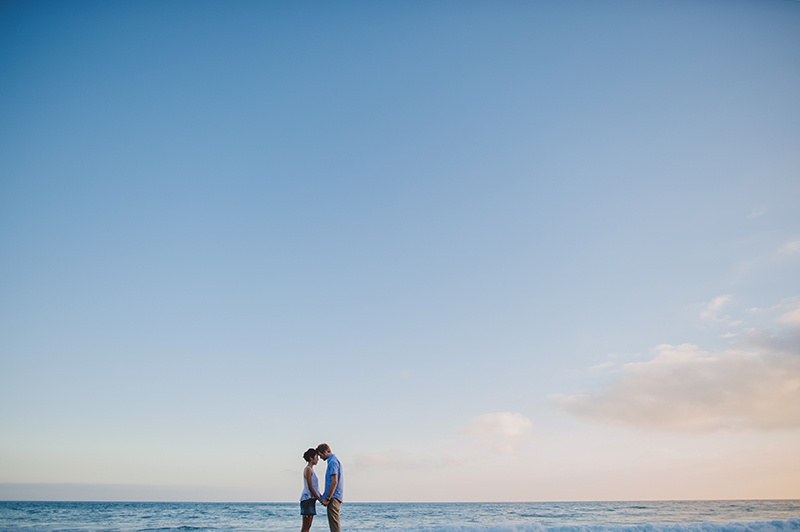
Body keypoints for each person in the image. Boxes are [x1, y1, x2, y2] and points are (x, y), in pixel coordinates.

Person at [316, 443, 343, 532]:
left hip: (333, 497)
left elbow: (334, 482)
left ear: (325, 452)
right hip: (333, 496)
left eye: (320, 455)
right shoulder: (333, 461)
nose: (320, 458)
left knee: (334, 524)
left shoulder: (333, 462)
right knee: (333, 523)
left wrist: (328, 498)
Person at [300, 448, 322, 532]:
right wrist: (320, 499)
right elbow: (310, 487)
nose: (318, 459)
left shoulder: (311, 469)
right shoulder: (308, 470)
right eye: (316, 457)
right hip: (307, 499)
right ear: (311, 458)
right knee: (305, 527)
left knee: (308, 526)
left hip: (311, 500)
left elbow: (315, 488)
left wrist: (321, 497)